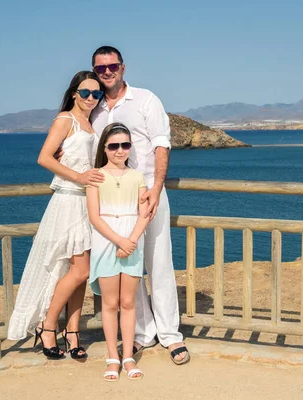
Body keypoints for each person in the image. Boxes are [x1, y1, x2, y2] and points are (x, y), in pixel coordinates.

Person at [90, 46, 189, 364]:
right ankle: (144, 334)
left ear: (123, 67)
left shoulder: (146, 99)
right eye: (101, 68)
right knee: (131, 268)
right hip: (114, 203)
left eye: (112, 65)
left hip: (149, 195)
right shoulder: (94, 107)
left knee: (159, 263)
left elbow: (162, 144)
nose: (107, 72)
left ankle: (171, 335)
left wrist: (157, 188)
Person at [7, 71, 105, 360]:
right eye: (85, 92)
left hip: (87, 204)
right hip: (67, 203)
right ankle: (48, 325)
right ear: (74, 92)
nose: (90, 98)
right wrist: (78, 176)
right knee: (80, 270)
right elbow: (44, 157)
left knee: (79, 274)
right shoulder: (65, 120)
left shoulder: (91, 122)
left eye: (96, 94)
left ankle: (72, 332)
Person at [87, 122, 149, 381]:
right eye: (114, 145)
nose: (120, 150)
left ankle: (128, 356)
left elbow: (144, 211)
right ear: (105, 147)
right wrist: (120, 241)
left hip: (133, 240)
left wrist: (131, 240)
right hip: (106, 241)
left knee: (128, 302)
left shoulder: (137, 177)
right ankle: (112, 357)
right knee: (110, 304)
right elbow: (94, 216)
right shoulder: (96, 176)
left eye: (125, 145)